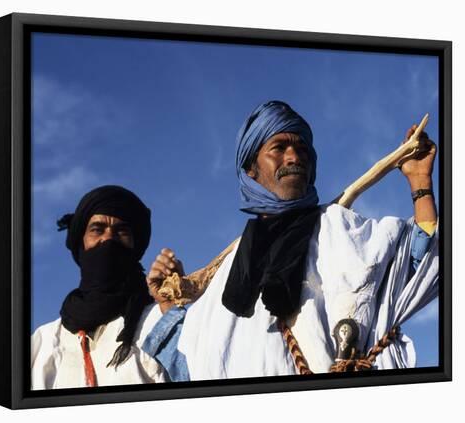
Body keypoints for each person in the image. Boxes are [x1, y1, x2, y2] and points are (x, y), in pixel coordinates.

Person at [143, 101, 438, 381]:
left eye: (301, 149)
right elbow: (193, 364)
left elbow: (418, 266)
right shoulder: (226, 276)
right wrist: (167, 301)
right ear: (251, 170)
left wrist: (420, 181)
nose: (294, 157)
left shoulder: (340, 229)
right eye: (279, 148)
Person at [31, 185, 165, 389]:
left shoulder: (156, 322)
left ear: (134, 246)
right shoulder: (42, 344)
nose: (108, 239)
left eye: (121, 231)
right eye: (97, 229)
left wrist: (173, 308)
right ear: (81, 242)